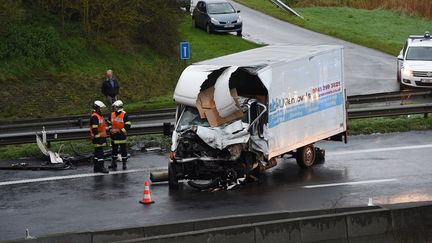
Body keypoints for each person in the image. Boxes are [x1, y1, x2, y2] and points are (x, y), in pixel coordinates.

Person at [108, 100, 131, 170]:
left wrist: (120, 131)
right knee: (114, 151)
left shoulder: (124, 114)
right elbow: (109, 123)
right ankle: (114, 164)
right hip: (114, 136)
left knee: (123, 151)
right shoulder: (112, 114)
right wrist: (110, 129)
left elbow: (128, 125)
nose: (114, 108)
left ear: (118, 107)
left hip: (121, 136)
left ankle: (124, 164)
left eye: (115, 107)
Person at [89, 100, 109, 173]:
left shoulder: (99, 116)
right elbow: (94, 128)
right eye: (101, 108)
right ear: (97, 108)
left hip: (99, 137)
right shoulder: (95, 116)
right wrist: (98, 137)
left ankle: (96, 167)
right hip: (98, 138)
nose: (102, 110)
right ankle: (101, 167)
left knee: (97, 153)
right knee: (100, 153)